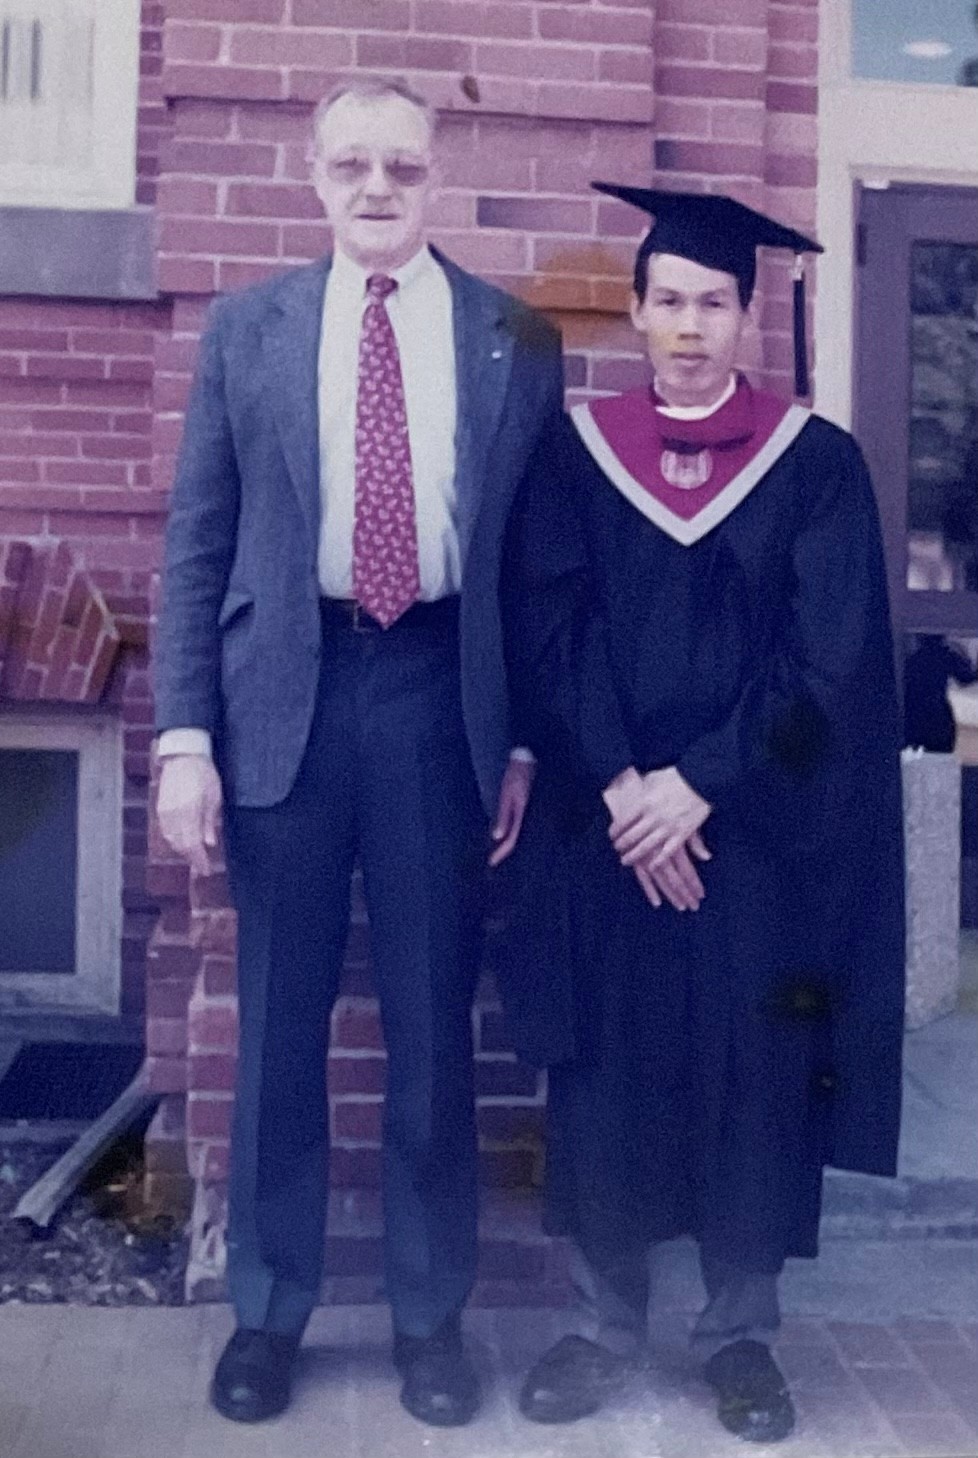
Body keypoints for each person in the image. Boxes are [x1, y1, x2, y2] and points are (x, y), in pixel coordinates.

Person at [153, 80, 562, 1428]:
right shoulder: (246, 329)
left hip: (440, 694)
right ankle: (268, 1312)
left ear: (436, 174)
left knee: (433, 1026)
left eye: (400, 165)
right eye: (350, 166)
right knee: (279, 1025)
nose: (375, 187)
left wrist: (513, 745)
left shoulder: (512, 334)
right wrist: (183, 738)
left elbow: (532, 565)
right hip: (290, 698)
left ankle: (428, 1316)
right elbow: (197, 545)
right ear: (310, 175)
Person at [499, 185, 905, 1443]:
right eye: (667, 301)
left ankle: (740, 1337)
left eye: (713, 304)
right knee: (609, 1073)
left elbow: (831, 665)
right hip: (607, 827)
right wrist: (627, 786)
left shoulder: (817, 466)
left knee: (755, 1077)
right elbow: (548, 629)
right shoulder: (575, 453)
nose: (689, 327)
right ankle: (599, 1323)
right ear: (633, 312)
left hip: (755, 836)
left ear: (748, 317)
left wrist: (695, 786)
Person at [904, 634, 977, 752]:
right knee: (940, 750)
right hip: (937, 711)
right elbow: (966, 677)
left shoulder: (914, 658)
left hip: (915, 711)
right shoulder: (945, 656)